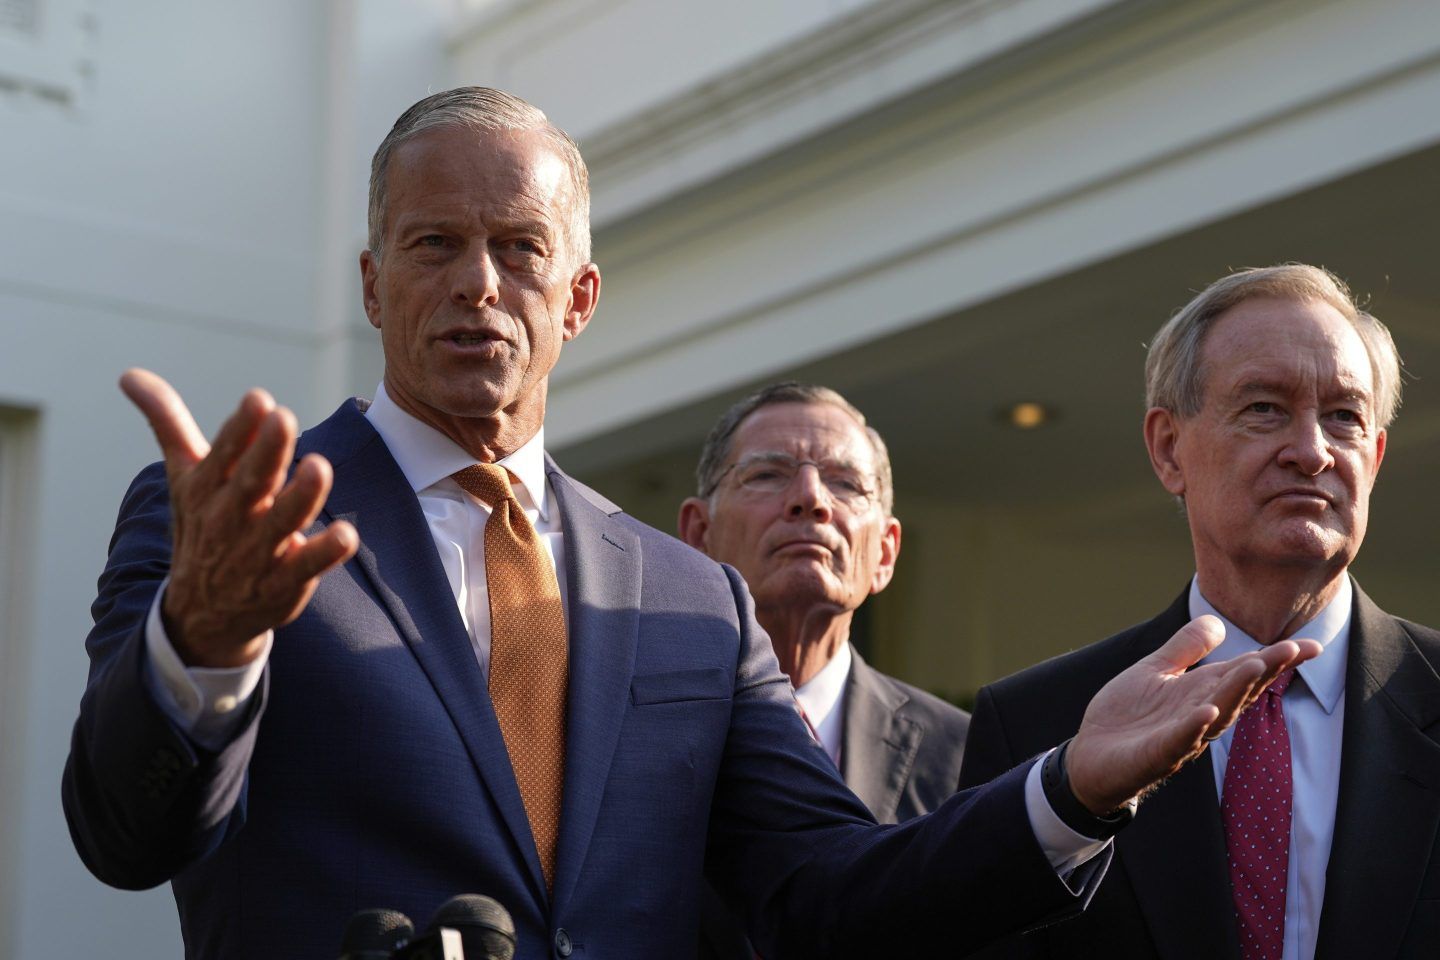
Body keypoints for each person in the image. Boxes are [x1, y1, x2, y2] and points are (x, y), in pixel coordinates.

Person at [61, 88, 1314, 960]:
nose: (478, 284)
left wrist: (1068, 793)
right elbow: (124, 836)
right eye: (434, 243)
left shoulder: (684, 597)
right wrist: (204, 649)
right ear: (374, 281)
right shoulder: (238, 528)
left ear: (580, 297)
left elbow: (826, 897)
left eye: (519, 247)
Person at [959, 264, 1440, 960]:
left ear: (1376, 456)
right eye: (1264, 409)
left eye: (1344, 417)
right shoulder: (1037, 725)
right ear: (1168, 448)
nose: (1311, 452)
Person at [679, 382, 971, 959]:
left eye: (845, 483)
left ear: (885, 553)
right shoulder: (627, 736)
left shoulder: (967, 752)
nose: (810, 499)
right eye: (767, 475)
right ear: (698, 537)